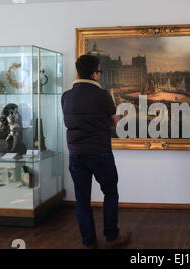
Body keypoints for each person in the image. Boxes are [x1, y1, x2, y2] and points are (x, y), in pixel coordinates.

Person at [61, 54, 131, 249]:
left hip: (76, 154)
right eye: (99, 72)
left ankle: (89, 242)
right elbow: (114, 122)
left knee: (82, 200)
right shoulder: (103, 95)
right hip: (100, 152)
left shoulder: (66, 96)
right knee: (110, 193)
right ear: (94, 73)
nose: (100, 75)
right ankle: (112, 237)